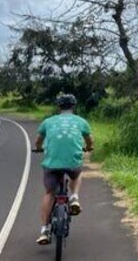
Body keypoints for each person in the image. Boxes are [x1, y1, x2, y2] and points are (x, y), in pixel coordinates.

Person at [34, 93, 94, 245]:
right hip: (72, 162)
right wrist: (88, 147)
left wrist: (39, 148)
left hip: (52, 164)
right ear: (73, 107)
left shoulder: (48, 121)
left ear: (58, 107)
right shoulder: (81, 121)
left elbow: (38, 141)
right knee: (77, 173)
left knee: (49, 193)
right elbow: (89, 140)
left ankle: (44, 231)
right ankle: (74, 197)